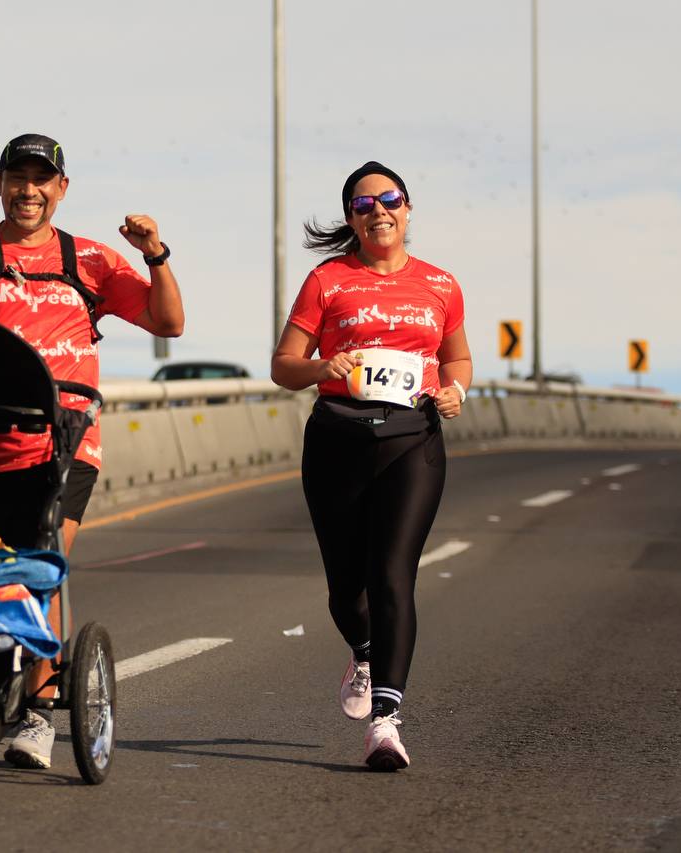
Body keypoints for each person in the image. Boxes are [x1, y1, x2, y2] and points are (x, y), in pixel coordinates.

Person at [0, 132, 185, 769]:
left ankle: (37, 712)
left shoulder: (88, 260)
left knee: (41, 561)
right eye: (17, 177)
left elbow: (168, 323)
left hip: (65, 446)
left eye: (41, 179)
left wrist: (156, 256)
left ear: (60, 189)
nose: (27, 190)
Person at [270, 161, 471, 771]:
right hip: (337, 440)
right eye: (363, 205)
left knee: (392, 576)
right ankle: (363, 651)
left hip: (413, 440)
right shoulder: (328, 280)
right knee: (345, 589)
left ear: (408, 209)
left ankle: (386, 722)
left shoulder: (440, 284)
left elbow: (457, 360)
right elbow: (283, 366)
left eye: (390, 199)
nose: (378, 210)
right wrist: (322, 367)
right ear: (351, 219)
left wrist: (456, 391)